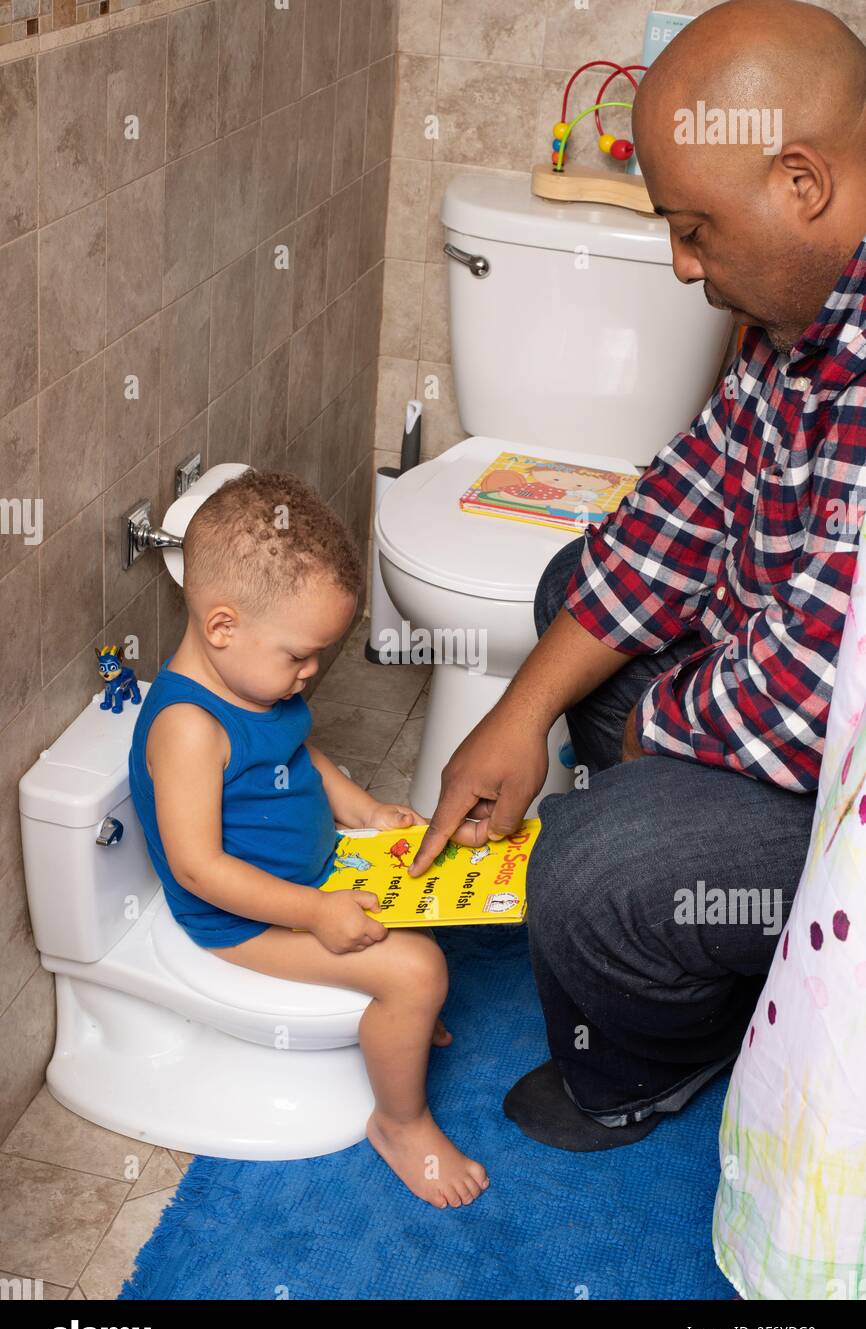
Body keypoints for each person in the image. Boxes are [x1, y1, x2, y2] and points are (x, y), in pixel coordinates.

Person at [408, 0, 866, 1153]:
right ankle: (653, 818)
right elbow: (680, 505)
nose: (677, 264)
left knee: (591, 866)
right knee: (574, 590)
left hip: (840, 769)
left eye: (693, 229)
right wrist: (519, 712)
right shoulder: (800, 307)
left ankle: (652, 1061)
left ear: (800, 182)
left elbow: (811, 691)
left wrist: (626, 746)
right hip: (778, 684)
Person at [129, 470, 489, 1209]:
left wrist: (361, 809)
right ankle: (401, 1122)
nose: (311, 672)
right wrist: (314, 912)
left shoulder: (257, 683)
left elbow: (299, 753)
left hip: (307, 882)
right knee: (417, 971)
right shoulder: (189, 729)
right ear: (222, 626)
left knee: (433, 889)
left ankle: (398, 1025)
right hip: (244, 923)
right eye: (299, 655)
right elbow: (199, 870)